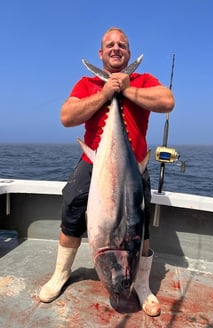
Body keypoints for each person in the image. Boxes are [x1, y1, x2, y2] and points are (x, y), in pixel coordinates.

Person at [39, 27, 175, 317]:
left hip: (134, 168)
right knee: (71, 214)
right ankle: (61, 274)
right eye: (109, 45)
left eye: (122, 45)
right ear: (101, 53)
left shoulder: (143, 80)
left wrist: (126, 88)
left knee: (141, 228)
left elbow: (167, 101)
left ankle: (142, 285)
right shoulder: (87, 83)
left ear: (127, 52)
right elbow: (67, 117)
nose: (116, 48)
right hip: (94, 165)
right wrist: (105, 92)